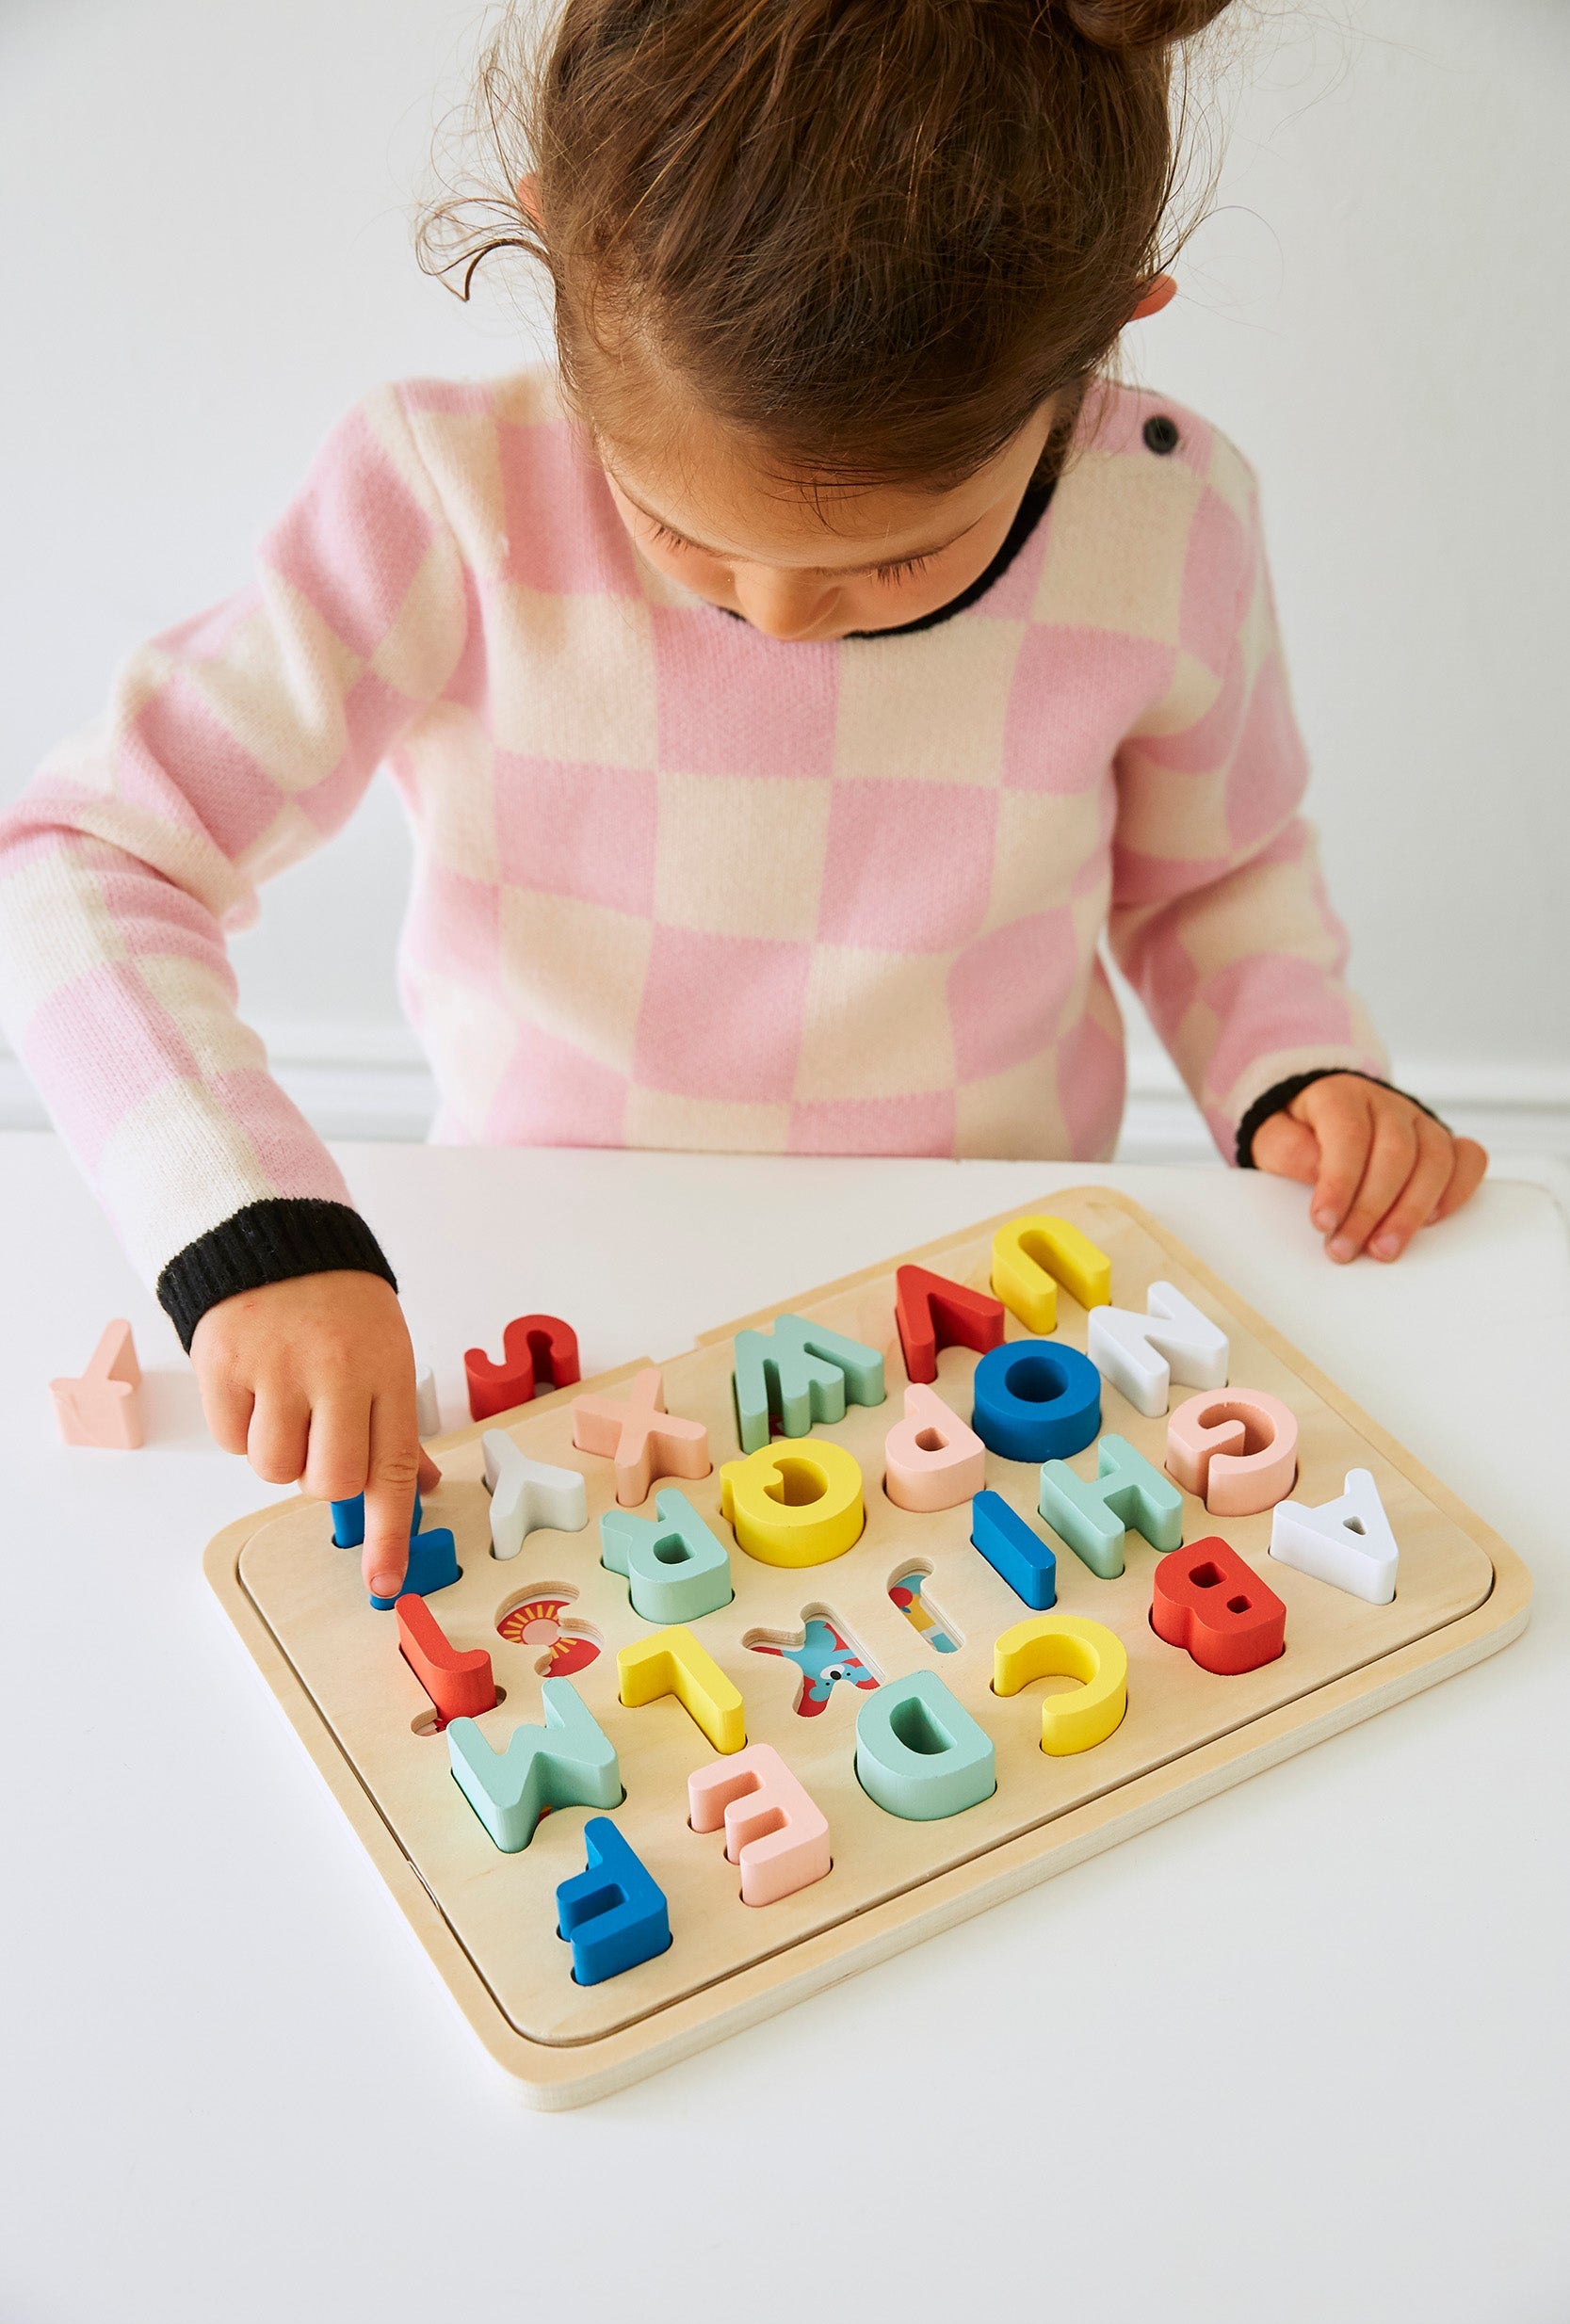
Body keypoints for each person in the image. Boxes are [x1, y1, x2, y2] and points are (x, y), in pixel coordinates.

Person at [0, 0, 1485, 1596]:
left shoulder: (1170, 519)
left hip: (985, 1304)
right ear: (554, 255)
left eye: (895, 560)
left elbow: (1215, 876)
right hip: (565, 1291)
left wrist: (1298, 1071)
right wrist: (252, 1236)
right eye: (679, 532)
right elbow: (85, 858)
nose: (777, 619)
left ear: (1106, 342)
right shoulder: (444, 497)